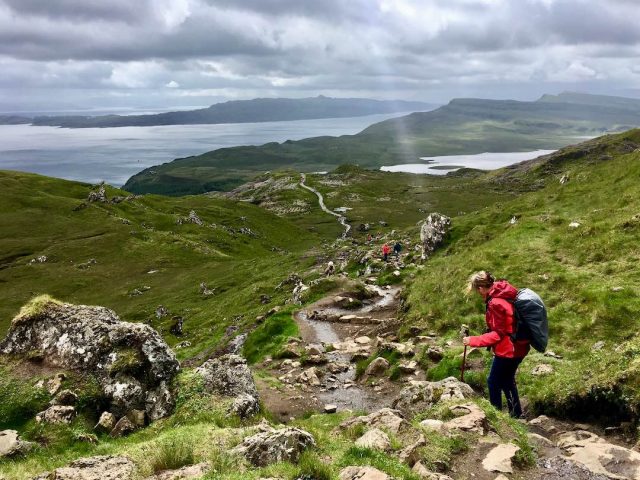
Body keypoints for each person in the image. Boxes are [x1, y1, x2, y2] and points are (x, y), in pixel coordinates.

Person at [462, 271, 529, 418]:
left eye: (477, 290)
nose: (478, 293)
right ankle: (516, 414)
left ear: (481, 288)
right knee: (507, 379)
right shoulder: (502, 291)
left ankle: (497, 416)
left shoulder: (495, 303)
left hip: (508, 350)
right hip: (520, 345)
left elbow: (498, 334)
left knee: (493, 382)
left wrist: (472, 340)